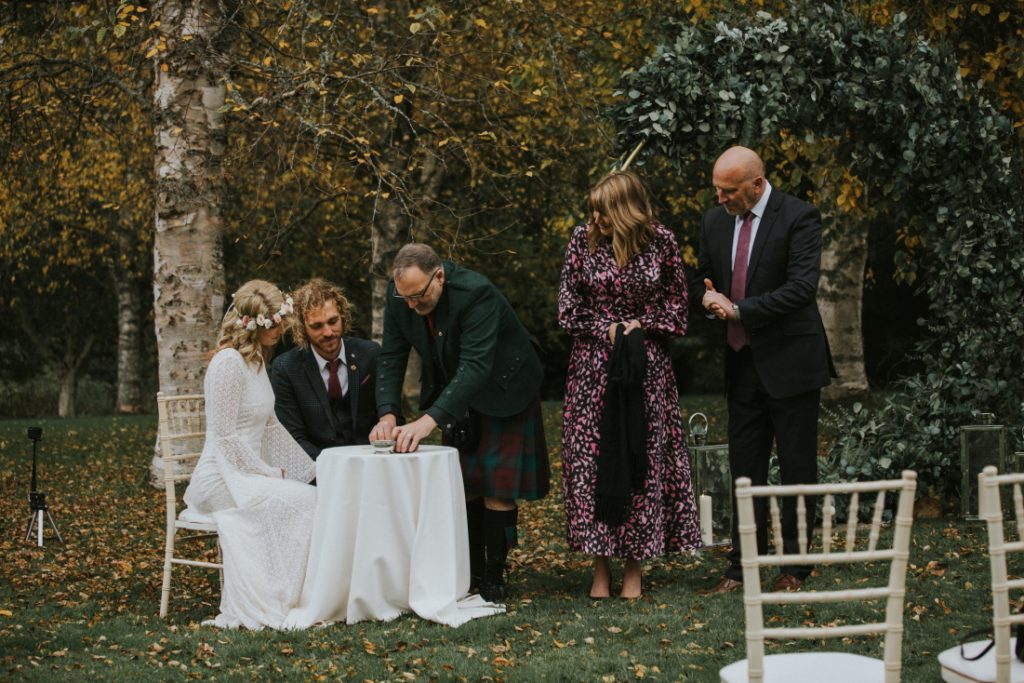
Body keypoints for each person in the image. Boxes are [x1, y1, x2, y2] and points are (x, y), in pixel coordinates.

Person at [369, 243, 550, 602]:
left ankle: (495, 578)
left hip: (505, 387)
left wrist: (427, 422)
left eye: (418, 296)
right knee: (464, 483)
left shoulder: (476, 293)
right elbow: (390, 356)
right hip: (456, 387)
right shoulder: (400, 295)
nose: (410, 305)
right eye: (403, 296)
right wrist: (388, 411)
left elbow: (477, 366)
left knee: (496, 486)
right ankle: (471, 573)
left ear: (439, 276)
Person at [691, 146, 834, 595]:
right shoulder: (714, 221)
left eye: (729, 191)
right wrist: (706, 299)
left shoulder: (799, 216)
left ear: (757, 184)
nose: (721, 198)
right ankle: (740, 568)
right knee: (744, 470)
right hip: (741, 363)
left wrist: (740, 311)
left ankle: (795, 569)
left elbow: (801, 288)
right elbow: (701, 277)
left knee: (796, 468)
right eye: (716, 189)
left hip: (791, 363)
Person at [557, 170, 702, 600]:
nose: (595, 217)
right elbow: (568, 307)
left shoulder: (662, 241)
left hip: (646, 370)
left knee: (640, 461)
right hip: (592, 371)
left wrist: (642, 325)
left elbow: (678, 309)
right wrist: (607, 328)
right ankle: (599, 568)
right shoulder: (582, 239)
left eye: (603, 210)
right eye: (593, 210)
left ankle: (634, 567)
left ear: (625, 211)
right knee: (591, 465)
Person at [182, 279, 317, 629]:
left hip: (246, 473)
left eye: (280, 320)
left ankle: (291, 593)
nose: (280, 329)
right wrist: (265, 473)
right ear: (250, 323)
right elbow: (225, 437)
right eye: (273, 323)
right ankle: (271, 598)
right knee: (301, 502)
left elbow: (270, 426)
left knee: (309, 495)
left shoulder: (256, 361)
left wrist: (311, 468)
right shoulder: (227, 364)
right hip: (219, 477)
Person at [271, 278, 380, 458]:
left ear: (342, 316)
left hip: (370, 462)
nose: (328, 332)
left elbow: (390, 416)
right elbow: (293, 437)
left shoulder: (370, 354)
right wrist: (332, 467)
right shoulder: (285, 368)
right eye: (317, 326)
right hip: (318, 469)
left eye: (333, 321)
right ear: (302, 328)